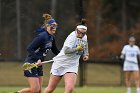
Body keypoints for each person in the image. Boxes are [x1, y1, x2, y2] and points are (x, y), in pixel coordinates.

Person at [14, 13, 59, 93]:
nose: (54, 28)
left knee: (38, 91)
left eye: (55, 26)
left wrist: (65, 55)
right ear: (47, 26)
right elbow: (29, 48)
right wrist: (37, 59)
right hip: (31, 64)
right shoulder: (42, 36)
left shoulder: (52, 37)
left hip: (39, 65)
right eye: (52, 26)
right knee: (35, 90)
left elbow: (55, 51)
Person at [43, 19, 89, 93]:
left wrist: (86, 54)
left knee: (69, 89)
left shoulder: (84, 37)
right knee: (50, 89)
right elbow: (66, 51)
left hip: (72, 65)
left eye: (83, 33)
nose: (81, 35)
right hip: (60, 63)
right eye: (79, 32)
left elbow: (85, 44)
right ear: (75, 30)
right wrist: (77, 49)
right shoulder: (71, 37)